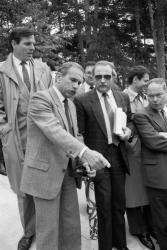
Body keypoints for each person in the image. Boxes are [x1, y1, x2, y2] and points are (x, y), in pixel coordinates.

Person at [20, 61, 110, 250]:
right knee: (48, 231)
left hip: (68, 173)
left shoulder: (70, 103)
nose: (77, 86)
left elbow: (75, 135)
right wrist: (86, 152)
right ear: (58, 77)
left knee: (71, 226)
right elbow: (54, 131)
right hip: (45, 174)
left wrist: (84, 162)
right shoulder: (40, 99)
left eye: (80, 82)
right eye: (73, 80)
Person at [0, 27, 53, 250]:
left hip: (42, 137)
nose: (33, 48)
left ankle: (46, 232)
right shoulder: (1, 71)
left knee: (44, 186)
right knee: (23, 190)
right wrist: (4, 128)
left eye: (33, 44)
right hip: (16, 139)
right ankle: (29, 232)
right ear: (14, 43)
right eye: (27, 44)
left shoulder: (43, 69)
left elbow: (53, 100)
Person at [74, 60, 133, 250]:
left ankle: (121, 244)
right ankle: (105, 247)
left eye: (107, 76)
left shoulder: (122, 97)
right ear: (92, 78)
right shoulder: (82, 100)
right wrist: (86, 160)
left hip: (118, 156)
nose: (102, 80)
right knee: (104, 207)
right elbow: (79, 134)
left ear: (113, 77)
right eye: (98, 76)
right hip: (98, 159)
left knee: (119, 206)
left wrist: (129, 132)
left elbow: (131, 121)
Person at [124, 66, 155, 249]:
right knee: (133, 193)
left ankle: (150, 226)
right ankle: (138, 229)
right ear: (135, 79)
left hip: (147, 151)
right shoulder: (122, 97)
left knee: (146, 189)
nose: (146, 83)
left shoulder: (145, 97)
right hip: (131, 151)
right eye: (144, 80)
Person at [134, 78, 167, 250]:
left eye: (158, 95)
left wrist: (163, 135)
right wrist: (160, 137)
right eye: (151, 96)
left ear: (165, 92)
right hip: (158, 177)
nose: (154, 99)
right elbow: (154, 142)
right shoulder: (141, 115)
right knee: (162, 221)